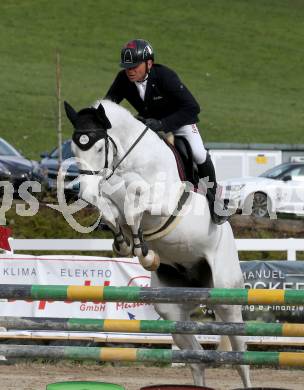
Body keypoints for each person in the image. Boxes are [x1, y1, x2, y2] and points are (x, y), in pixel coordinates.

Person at [105, 39, 228, 224]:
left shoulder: (165, 76)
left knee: (198, 153)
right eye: (127, 67)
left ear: (149, 63)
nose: (130, 71)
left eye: (134, 66)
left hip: (180, 121)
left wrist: (162, 124)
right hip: (149, 125)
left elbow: (192, 107)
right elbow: (109, 105)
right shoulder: (123, 79)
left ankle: (215, 201)